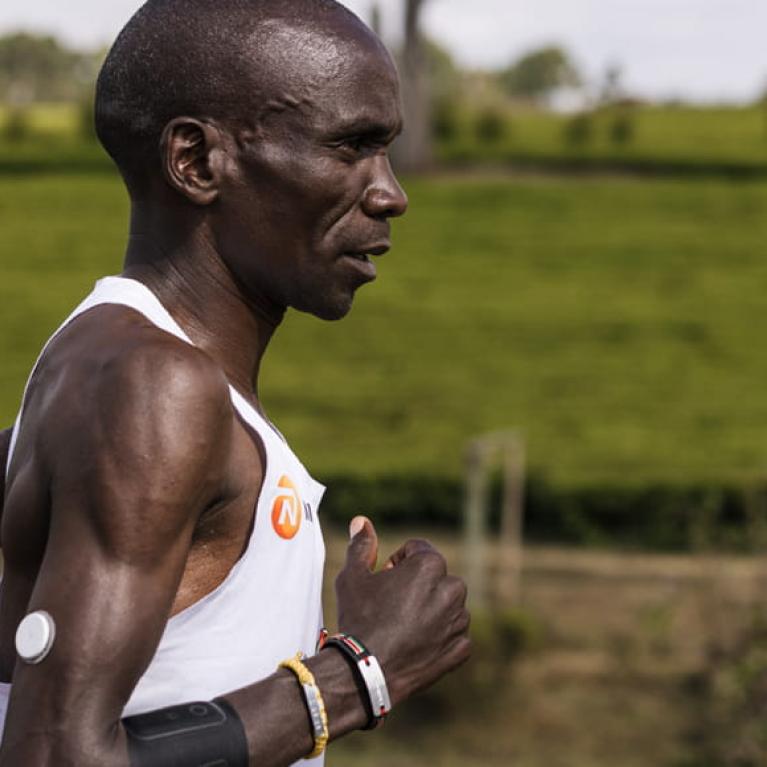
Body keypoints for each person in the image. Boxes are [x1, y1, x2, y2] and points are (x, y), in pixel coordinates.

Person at [0, 1, 470, 765]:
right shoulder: (154, 386)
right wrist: (358, 673)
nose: (390, 193)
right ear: (195, 161)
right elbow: (54, 755)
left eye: (384, 150)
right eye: (350, 145)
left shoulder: (106, 367)